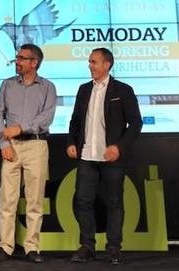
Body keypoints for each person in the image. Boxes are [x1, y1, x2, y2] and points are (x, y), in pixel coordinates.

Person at [66, 48, 142, 265]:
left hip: (112, 158)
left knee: (114, 202)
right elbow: (75, 121)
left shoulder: (123, 90)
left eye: (94, 62)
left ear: (107, 64)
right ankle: (87, 246)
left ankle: (114, 248)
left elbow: (136, 123)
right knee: (82, 201)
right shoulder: (83, 90)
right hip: (87, 155)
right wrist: (72, 142)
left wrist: (119, 147)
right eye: (89, 62)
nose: (90, 65)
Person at [0, 43, 56, 264]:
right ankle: (5, 247)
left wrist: (20, 127)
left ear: (34, 62)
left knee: (34, 199)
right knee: (7, 199)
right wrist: (3, 144)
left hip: (36, 146)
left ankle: (31, 247)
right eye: (17, 58)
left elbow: (45, 118)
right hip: (11, 146)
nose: (16, 61)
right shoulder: (7, 85)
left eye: (21, 58)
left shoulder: (47, 87)